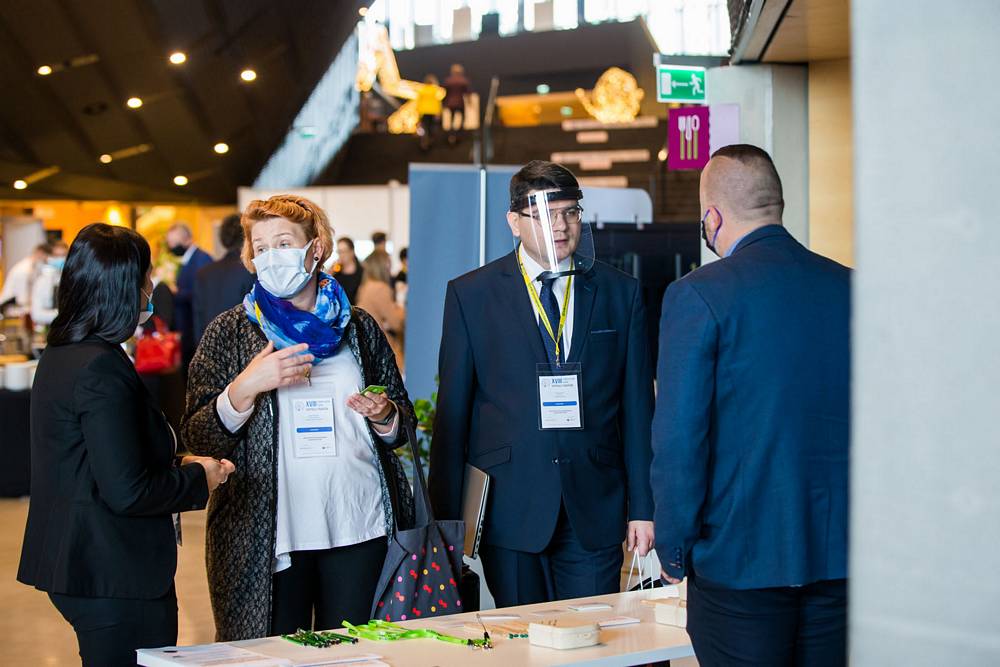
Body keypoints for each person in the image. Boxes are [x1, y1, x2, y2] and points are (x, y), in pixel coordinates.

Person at [182, 194, 416, 641]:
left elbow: (401, 425)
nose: (272, 256)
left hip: (358, 525)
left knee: (354, 654)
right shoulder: (230, 332)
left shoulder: (359, 328)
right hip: (267, 536)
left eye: (284, 243)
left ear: (316, 248)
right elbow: (200, 436)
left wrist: (385, 414)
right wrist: (245, 387)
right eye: (261, 247)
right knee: (271, 657)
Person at [651, 145, 851, 666]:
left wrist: (674, 547)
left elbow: (680, 440)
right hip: (840, 557)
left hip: (739, 561)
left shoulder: (698, 295)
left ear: (712, 217)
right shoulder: (850, 288)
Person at [429, 160, 655, 607]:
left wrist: (644, 508)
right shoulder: (472, 294)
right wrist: (446, 523)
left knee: (593, 633)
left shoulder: (619, 292)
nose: (561, 226)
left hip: (595, 503)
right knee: (522, 636)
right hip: (510, 505)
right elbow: (453, 412)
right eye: (545, 215)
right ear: (514, 222)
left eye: (570, 212)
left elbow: (637, 410)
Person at [16, 223, 233, 666]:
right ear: (122, 288)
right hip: (111, 570)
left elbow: (101, 453)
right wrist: (200, 477)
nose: (151, 288)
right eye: (146, 278)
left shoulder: (66, 351)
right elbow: (128, 490)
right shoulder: (99, 367)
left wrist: (174, 460)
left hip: (83, 561)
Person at [193, 213, 255, 343]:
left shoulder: (203, 273)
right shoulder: (251, 271)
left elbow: (198, 319)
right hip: (243, 347)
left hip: (210, 345)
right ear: (247, 236)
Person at [164, 222, 212, 371]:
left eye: (174, 243)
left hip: (194, 328)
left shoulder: (201, 259)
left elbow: (201, 293)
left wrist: (176, 293)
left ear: (187, 239)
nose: (171, 247)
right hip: (186, 327)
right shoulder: (188, 259)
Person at [356, 252, 405, 369]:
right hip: (381, 347)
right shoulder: (380, 288)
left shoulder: (364, 286)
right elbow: (396, 322)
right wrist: (402, 308)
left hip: (367, 344)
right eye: (388, 264)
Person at [0, 243, 50, 316]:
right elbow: (23, 299)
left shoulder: (32, 266)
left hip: (15, 304)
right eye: (45, 256)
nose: (46, 260)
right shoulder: (24, 270)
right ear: (40, 253)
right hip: (8, 306)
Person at [29, 240, 68, 327]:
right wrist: (62, 315)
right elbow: (36, 315)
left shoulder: (73, 279)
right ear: (50, 257)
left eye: (63, 255)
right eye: (57, 255)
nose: (61, 259)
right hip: (49, 328)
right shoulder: (42, 281)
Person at [442, 64, 471, 142]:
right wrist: (469, 102)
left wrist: (443, 103)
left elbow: (445, 93)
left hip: (450, 103)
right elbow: (467, 92)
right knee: (462, 118)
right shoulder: (463, 80)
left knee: (452, 118)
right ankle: (458, 134)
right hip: (460, 102)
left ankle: (451, 134)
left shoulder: (448, 80)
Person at [333, 236, 364, 304]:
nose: (341, 255)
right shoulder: (336, 273)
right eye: (339, 252)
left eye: (344, 251)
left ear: (352, 252)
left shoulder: (362, 273)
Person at [415, 74, 443, 150]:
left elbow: (419, 102)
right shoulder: (435, 90)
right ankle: (431, 141)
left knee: (424, 127)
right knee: (432, 127)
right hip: (433, 112)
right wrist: (439, 112)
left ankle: (424, 142)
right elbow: (438, 102)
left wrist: (418, 113)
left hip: (424, 112)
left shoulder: (422, 90)